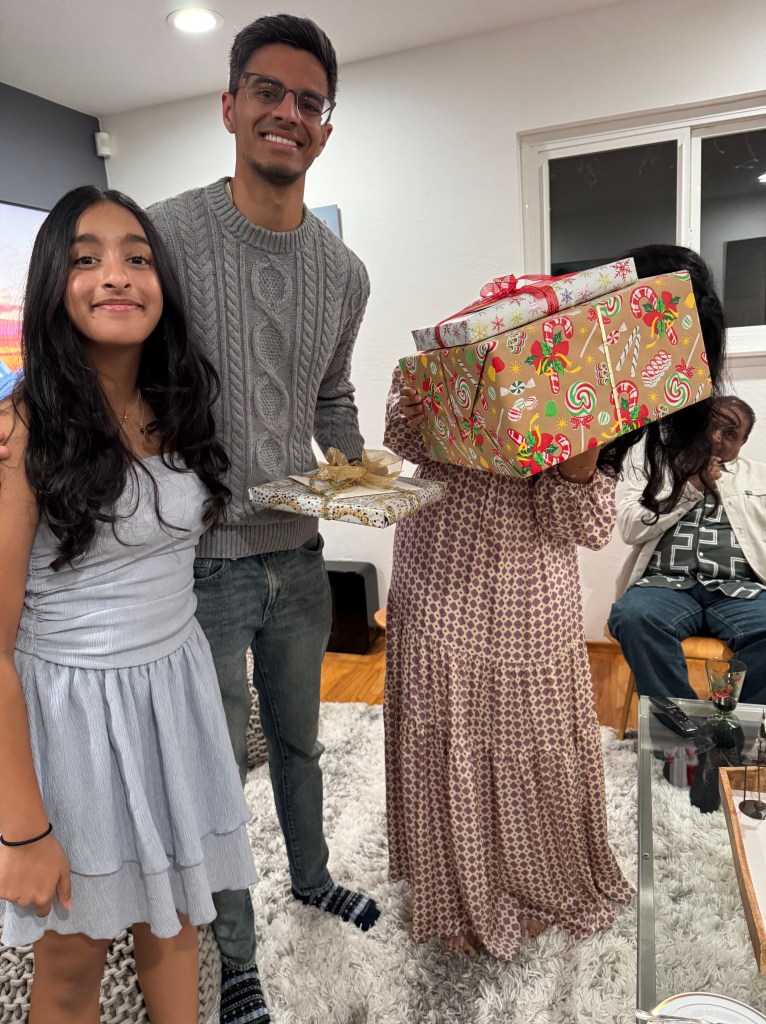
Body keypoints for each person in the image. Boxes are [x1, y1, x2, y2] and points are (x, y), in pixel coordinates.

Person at [383, 244, 727, 960]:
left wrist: (582, 450)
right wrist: (414, 403)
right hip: (438, 555)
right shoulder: (519, 316)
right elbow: (406, 436)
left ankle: (527, 880)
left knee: (526, 734)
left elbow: (581, 524)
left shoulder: (620, 380)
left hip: (523, 582)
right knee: (441, 721)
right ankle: (453, 887)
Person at [146, 15, 378, 1023]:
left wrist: (364, 471)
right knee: (215, 772)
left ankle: (312, 876)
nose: (288, 112)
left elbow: (330, 395)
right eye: (268, 91)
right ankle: (235, 953)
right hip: (197, 563)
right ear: (231, 104)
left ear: (325, 128)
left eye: (308, 101)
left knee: (298, 741)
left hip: (299, 556)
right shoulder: (164, 235)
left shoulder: (345, 272)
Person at [0, 186, 257, 1024]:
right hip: (74, 713)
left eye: (136, 257)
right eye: (87, 258)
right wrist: (21, 828)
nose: (117, 275)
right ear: (53, 286)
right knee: (73, 960)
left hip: (173, 692)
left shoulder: (176, 405)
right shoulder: (22, 430)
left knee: (176, 918)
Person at [608, 395, 766, 703]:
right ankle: (679, 724)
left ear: (743, 442)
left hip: (741, 592)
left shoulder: (760, 477)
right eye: (711, 426)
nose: (717, 438)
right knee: (633, 616)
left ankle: (732, 724)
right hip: (664, 588)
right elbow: (629, 529)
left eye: (730, 433)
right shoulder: (656, 470)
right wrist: (692, 486)